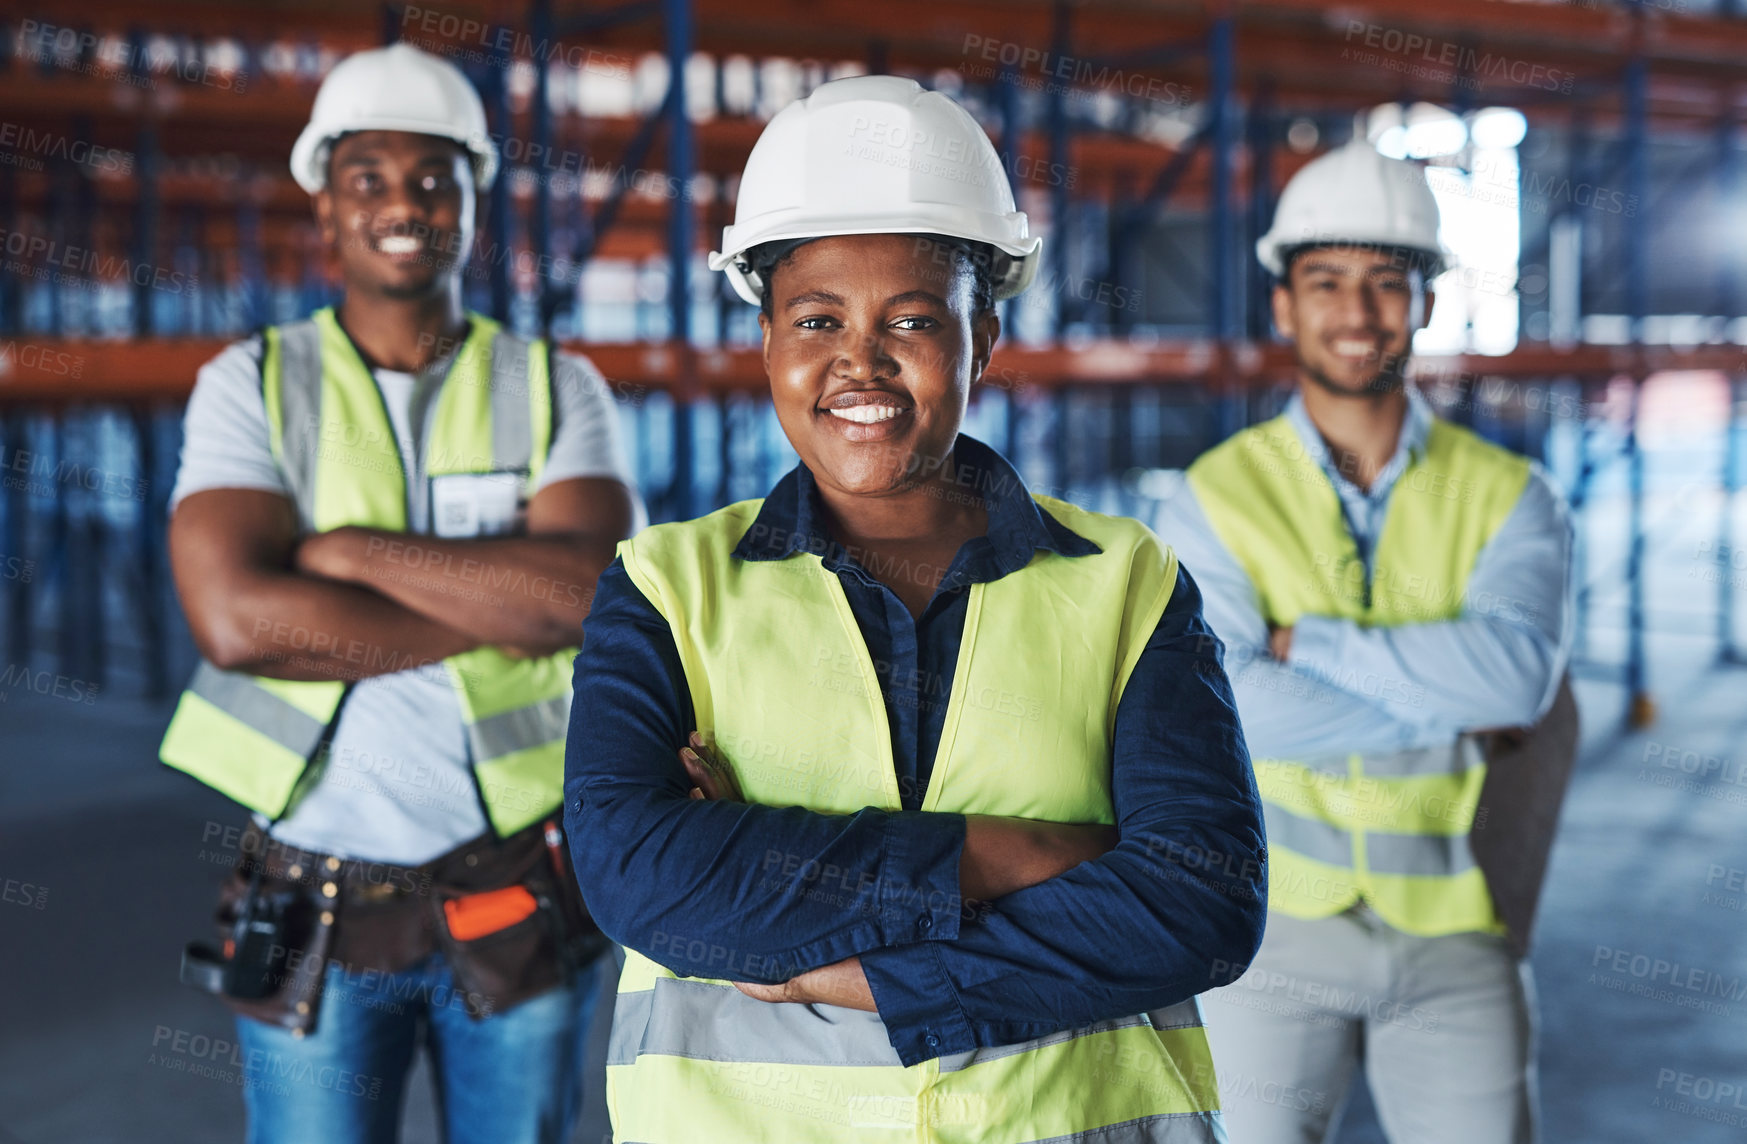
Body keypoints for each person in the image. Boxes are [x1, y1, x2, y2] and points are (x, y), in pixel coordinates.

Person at [563, 74, 1266, 1144]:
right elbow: (640, 878)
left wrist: (865, 972)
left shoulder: (1126, 580)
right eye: (816, 318)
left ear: (984, 340)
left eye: (912, 319)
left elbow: (1199, 905)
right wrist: (1020, 850)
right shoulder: (667, 584)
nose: (860, 360)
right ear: (766, 343)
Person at [158, 43, 637, 1144]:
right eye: (367, 178)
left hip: (516, 887)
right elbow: (236, 620)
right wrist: (499, 602)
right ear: (324, 209)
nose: (403, 203)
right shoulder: (256, 383)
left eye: (433, 178)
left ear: (473, 201)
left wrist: (341, 550)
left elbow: (586, 598)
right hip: (307, 902)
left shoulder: (555, 385)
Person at [1156, 139, 1575, 1143]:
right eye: (1327, 280)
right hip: (1268, 932)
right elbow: (1233, 713)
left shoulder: (1510, 495)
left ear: (1425, 301)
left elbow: (1516, 679)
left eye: (1388, 282)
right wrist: (1447, 701)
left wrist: (1315, 644)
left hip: (1458, 934)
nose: (1358, 312)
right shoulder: (1212, 496)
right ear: (1284, 305)